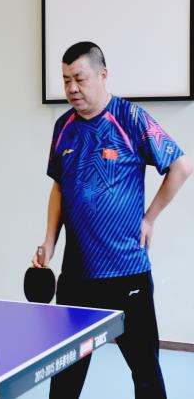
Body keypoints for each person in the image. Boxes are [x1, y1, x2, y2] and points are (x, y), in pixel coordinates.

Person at [32, 42, 192, 399]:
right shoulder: (63, 127)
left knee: (145, 372)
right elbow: (58, 187)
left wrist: (149, 218)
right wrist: (49, 241)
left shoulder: (131, 118)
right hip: (76, 277)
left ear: (102, 75)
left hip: (127, 273)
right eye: (66, 80)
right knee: (66, 378)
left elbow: (181, 166)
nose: (72, 88)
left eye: (80, 78)